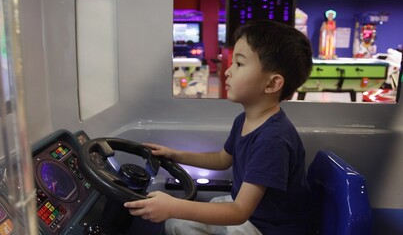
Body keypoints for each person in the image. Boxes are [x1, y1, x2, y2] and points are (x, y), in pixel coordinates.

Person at [124, 20, 314, 235]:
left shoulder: (273, 140)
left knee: (178, 219)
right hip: (250, 215)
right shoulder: (244, 120)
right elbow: (222, 159)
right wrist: (175, 154)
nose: (227, 72)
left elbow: (238, 212)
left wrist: (173, 206)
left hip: (268, 228)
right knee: (176, 223)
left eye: (240, 64)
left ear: (271, 84)